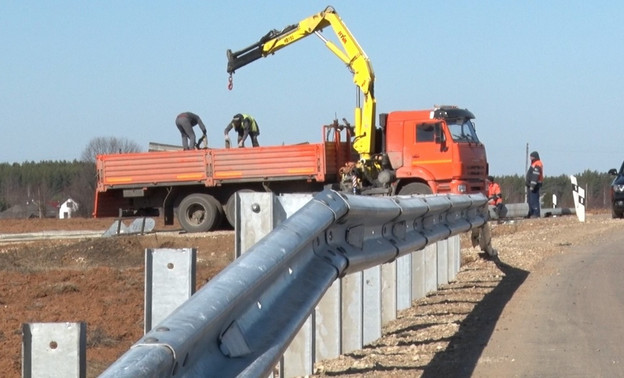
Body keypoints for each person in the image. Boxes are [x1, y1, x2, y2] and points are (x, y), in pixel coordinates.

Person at [525, 151, 544, 218]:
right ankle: (531, 213)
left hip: (534, 185)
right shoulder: (534, 163)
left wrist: (532, 185)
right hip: (531, 185)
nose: (530, 158)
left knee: (534, 200)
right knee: (530, 200)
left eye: (531, 156)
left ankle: (536, 213)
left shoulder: (537, 164)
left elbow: (535, 175)